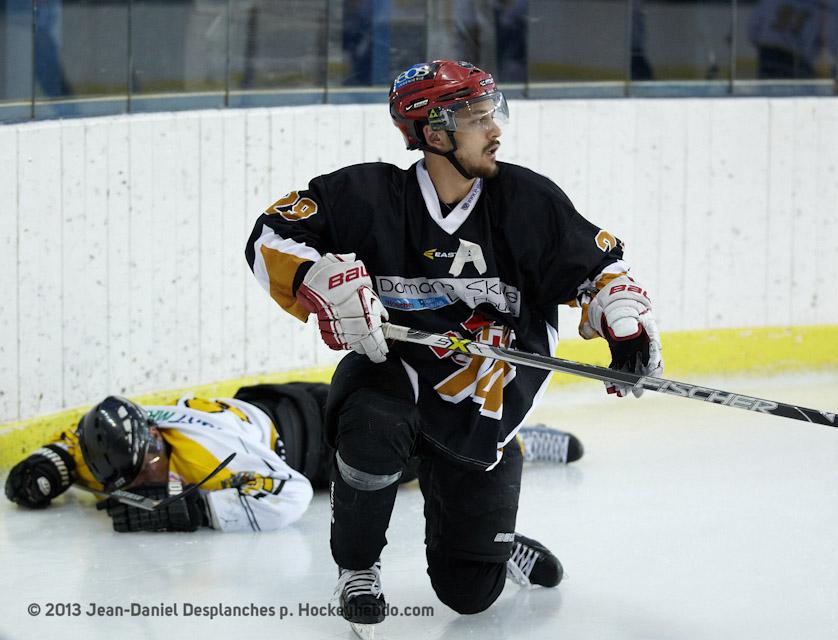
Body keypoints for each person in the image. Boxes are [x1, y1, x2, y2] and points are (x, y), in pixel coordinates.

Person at [244, 59, 662, 629]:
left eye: (493, 113)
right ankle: (358, 567)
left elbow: (600, 270)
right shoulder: (368, 197)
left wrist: (622, 315)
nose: (495, 129)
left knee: (469, 595)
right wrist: (317, 279)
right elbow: (271, 234)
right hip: (394, 375)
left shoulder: (525, 201)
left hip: (484, 401)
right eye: (476, 118)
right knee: (372, 424)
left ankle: (496, 544)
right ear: (435, 134)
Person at [4, 381, 583, 534]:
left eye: (150, 466)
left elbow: (293, 495)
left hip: (310, 442)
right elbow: (83, 442)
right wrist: (54, 464)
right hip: (279, 406)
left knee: (418, 452)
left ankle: (519, 441)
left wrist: (199, 511)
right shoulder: (131, 443)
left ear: (157, 440)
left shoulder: (212, 453)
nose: (146, 478)